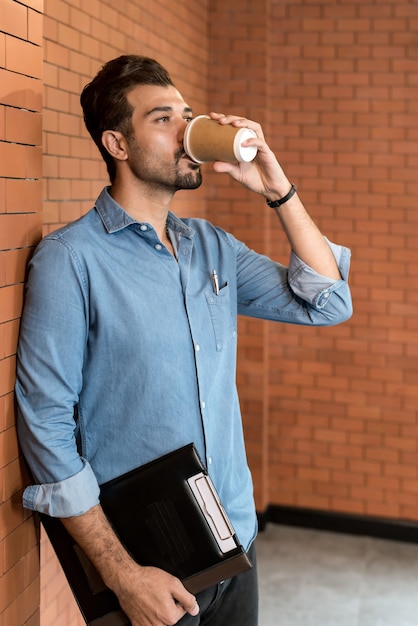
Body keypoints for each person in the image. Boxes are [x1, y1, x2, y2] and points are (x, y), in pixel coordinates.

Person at [15, 54, 352, 626]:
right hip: (149, 569)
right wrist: (122, 576)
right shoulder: (71, 260)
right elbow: (45, 426)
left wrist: (276, 186)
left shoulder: (211, 246)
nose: (186, 132)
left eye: (188, 116)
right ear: (118, 144)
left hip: (234, 542)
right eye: (163, 118)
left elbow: (326, 302)